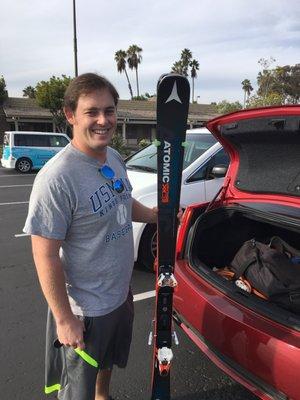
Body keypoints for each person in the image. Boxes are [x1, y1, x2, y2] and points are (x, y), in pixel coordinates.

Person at [23, 73, 159, 400]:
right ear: (70, 115)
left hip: (119, 294)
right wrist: (65, 318)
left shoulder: (112, 158)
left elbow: (123, 202)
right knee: (76, 388)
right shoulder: (57, 178)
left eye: (109, 111)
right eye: (92, 112)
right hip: (85, 309)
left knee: (107, 363)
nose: (103, 120)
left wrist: (156, 217)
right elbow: (45, 255)